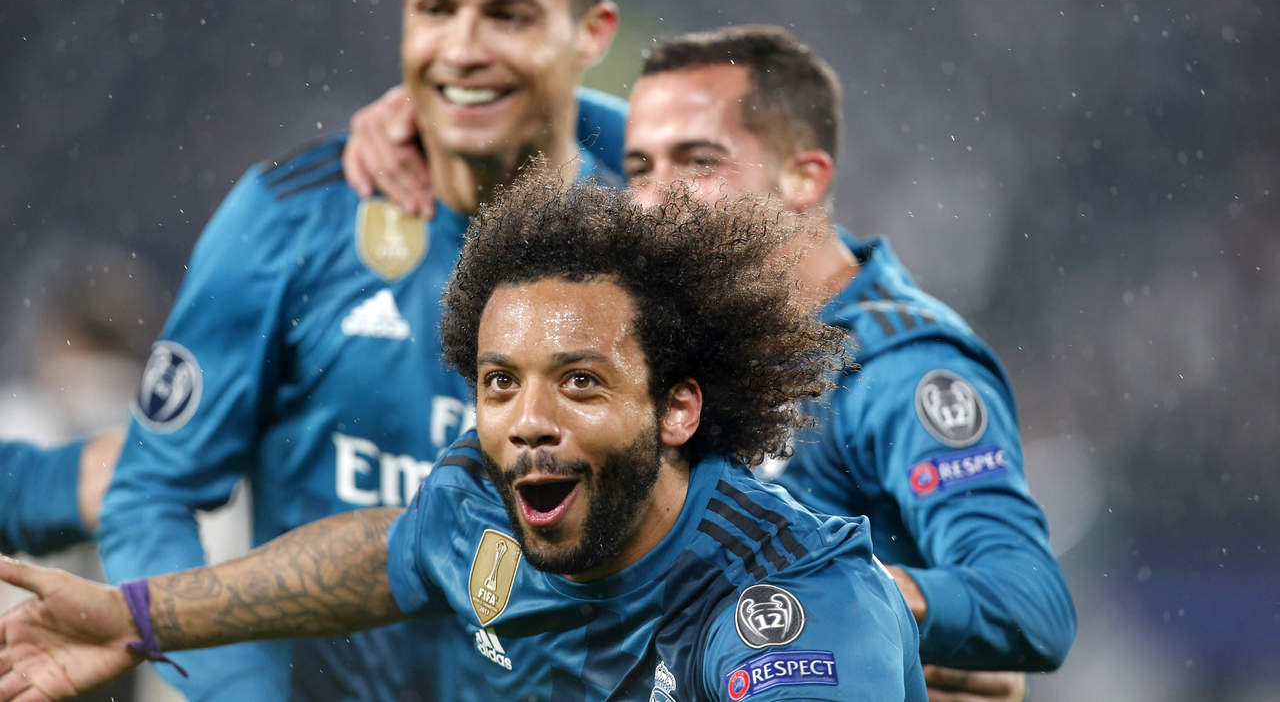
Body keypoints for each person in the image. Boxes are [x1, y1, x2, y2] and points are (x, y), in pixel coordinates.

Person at [345, 26, 1077, 701]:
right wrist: (441, 106)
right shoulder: (676, 323)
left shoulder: (898, 371)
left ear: (804, 178)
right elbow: (579, 123)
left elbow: (1031, 603)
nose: (653, 198)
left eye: (697, 162)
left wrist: (851, 603)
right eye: (638, 166)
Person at [0, 177, 927, 702]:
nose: (527, 420)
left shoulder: (790, 601)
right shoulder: (481, 502)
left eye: (580, 381)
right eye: (500, 382)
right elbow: (389, 551)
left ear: (677, 410)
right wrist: (140, 615)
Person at [97, 0, 625, 701]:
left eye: (508, 16)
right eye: (434, 8)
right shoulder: (288, 223)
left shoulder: (650, 238)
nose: (461, 50)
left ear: (590, 35)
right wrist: (240, 692)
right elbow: (149, 494)